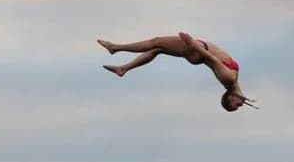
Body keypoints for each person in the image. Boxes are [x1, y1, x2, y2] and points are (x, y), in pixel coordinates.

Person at [97, 31, 255, 111]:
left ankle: (115, 48)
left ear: (230, 97)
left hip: (198, 50)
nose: (240, 105)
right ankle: (123, 68)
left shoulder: (229, 80)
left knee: (156, 42)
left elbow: (213, 59)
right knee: (157, 49)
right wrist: (242, 97)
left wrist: (193, 44)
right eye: (237, 106)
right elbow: (237, 91)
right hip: (198, 51)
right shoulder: (233, 83)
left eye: (235, 105)